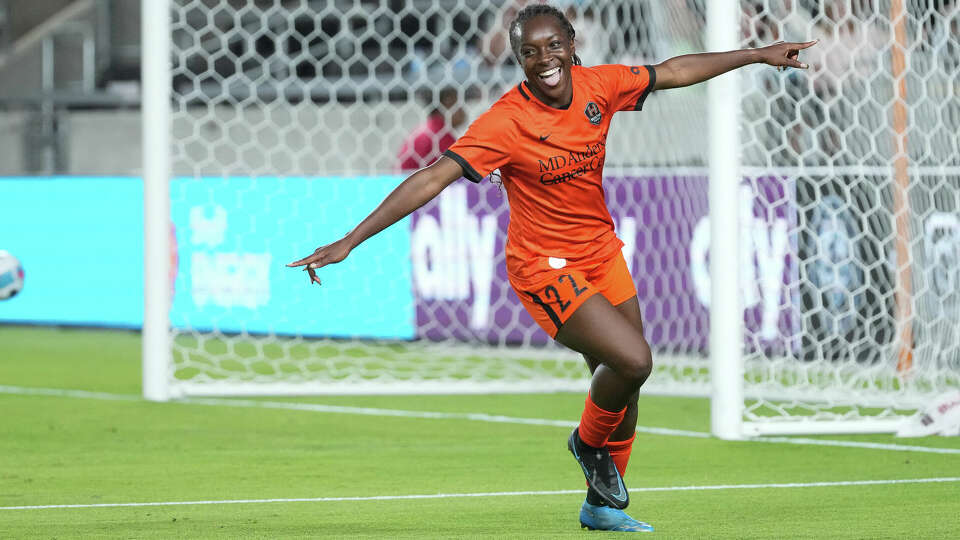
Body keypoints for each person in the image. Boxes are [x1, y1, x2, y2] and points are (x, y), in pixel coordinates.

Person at [289, 4, 815, 533]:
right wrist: (351, 241)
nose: (544, 59)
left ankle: (601, 509)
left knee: (622, 391)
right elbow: (433, 177)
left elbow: (673, 71)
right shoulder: (506, 121)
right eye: (529, 52)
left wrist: (756, 55)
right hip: (543, 266)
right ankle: (585, 444)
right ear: (517, 59)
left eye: (552, 45)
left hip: (601, 253)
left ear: (571, 41)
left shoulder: (600, 85)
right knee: (634, 361)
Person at [395, 86, 467, 172]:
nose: (463, 111)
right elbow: (455, 169)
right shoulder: (440, 133)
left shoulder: (429, 127)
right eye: (458, 104)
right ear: (448, 103)